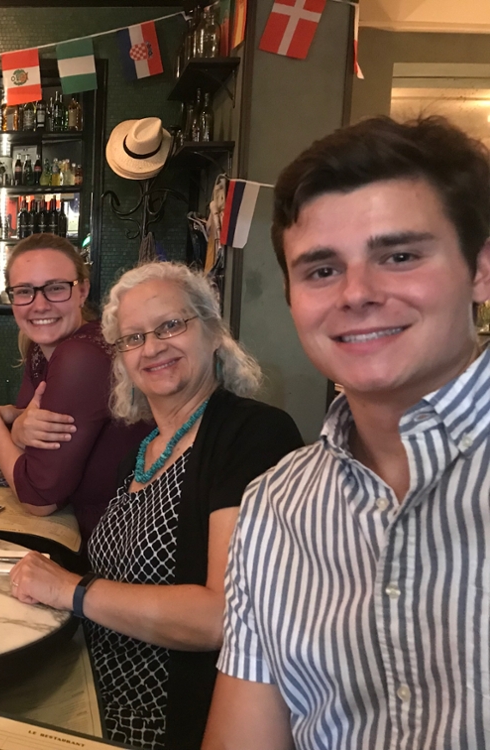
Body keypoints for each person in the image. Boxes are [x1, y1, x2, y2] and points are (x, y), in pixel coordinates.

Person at [203, 117, 490, 750]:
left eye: (400, 256)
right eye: (322, 270)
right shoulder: (275, 505)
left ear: (481, 271)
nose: (357, 294)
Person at [10, 261, 302, 749]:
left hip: (164, 724)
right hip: (88, 697)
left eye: (171, 325)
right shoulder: (142, 453)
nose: (152, 347)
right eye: (132, 338)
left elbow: (221, 617)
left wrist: (71, 590)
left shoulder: (253, 436)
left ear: (212, 331)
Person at [0, 233, 151, 543]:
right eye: (24, 291)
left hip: (111, 551)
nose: (40, 305)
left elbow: (38, 498)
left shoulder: (81, 358)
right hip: (73, 534)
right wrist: (19, 424)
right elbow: (37, 449)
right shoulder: (39, 349)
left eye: (56, 288)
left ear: (82, 291)